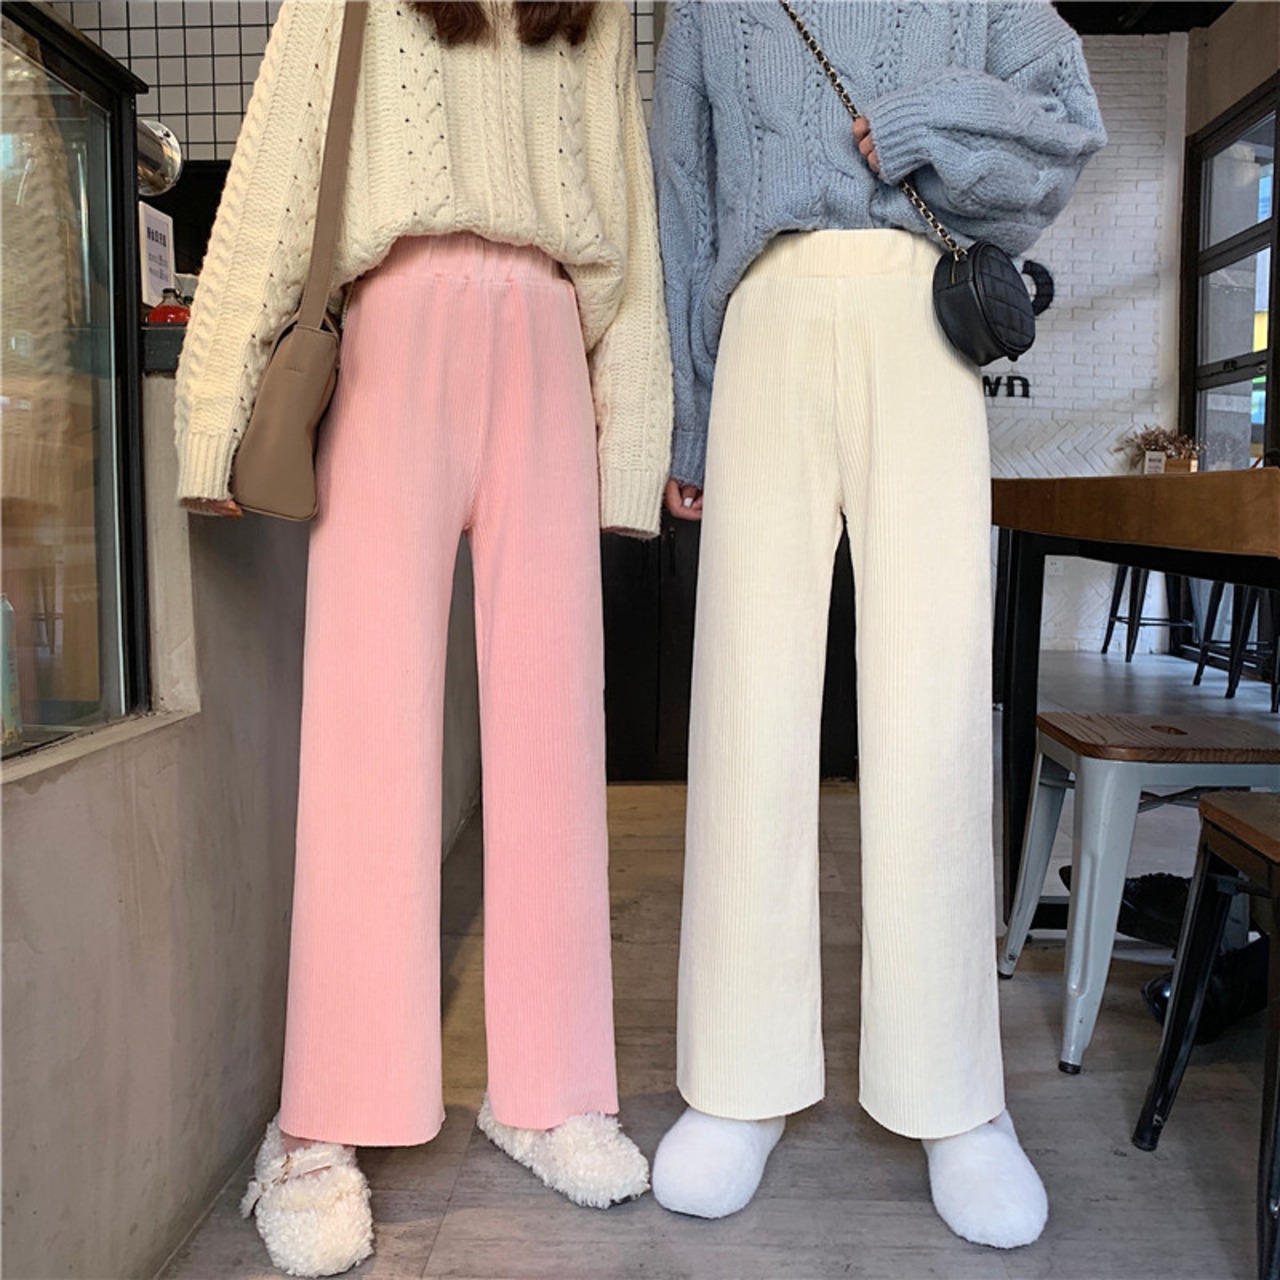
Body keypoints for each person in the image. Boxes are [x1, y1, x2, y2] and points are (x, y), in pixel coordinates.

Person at [174, 2, 671, 1274]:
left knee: (554, 737)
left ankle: (551, 1088)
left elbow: (624, 202)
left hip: (549, 334)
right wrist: (213, 409)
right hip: (390, 329)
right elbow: (283, 163)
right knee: (368, 741)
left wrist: (634, 432)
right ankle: (318, 1119)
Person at [648, 0, 1105, 1249]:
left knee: (928, 707)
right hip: (761, 318)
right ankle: (734, 1078)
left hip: (920, 318)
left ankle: (954, 1097)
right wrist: (688, 415)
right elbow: (680, 200)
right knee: (746, 704)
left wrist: (921, 124)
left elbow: (1067, 120)